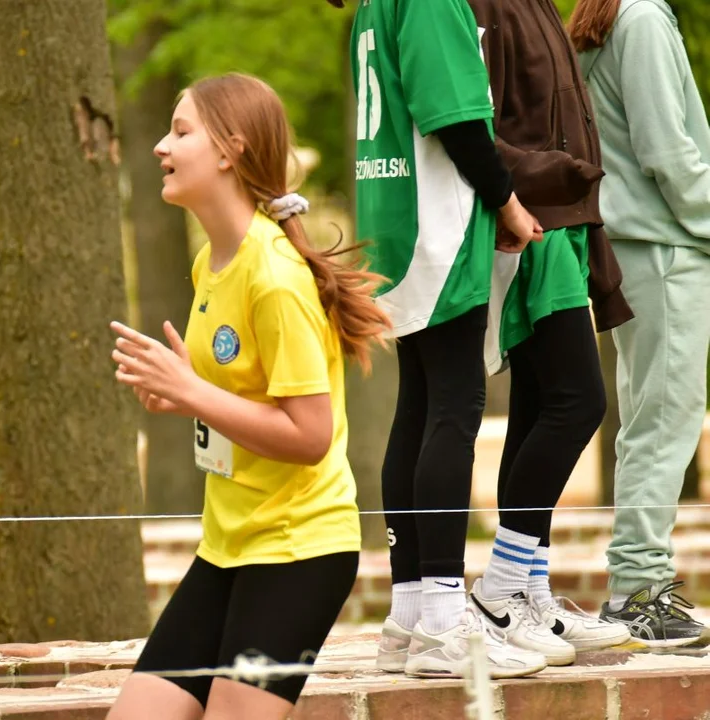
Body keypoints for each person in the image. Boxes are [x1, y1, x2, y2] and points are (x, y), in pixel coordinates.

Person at [106, 72, 388, 720]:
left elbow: (311, 438)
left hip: (298, 551)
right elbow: (238, 399)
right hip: (225, 548)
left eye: (180, 132)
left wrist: (197, 395)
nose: (159, 146)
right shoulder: (212, 262)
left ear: (230, 150)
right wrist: (188, 395)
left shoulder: (275, 278)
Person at [343, 0, 547, 679]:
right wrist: (509, 203)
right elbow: (455, 118)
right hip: (440, 226)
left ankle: (407, 615)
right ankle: (441, 621)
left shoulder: (375, 6)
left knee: (422, 403)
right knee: (454, 407)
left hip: (394, 224)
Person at [459, 0, 635, 665]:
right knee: (578, 400)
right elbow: (474, 125)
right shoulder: (489, 6)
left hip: (564, 223)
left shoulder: (535, 5)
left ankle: (531, 592)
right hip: (534, 226)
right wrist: (527, 191)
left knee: (538, 403)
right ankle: (501, 587)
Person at [571, 0, 710, 646]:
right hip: (666, 249)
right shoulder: (645, 19)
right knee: (665, 418)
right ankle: (639, 594)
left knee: (647, 418)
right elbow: (668, 153)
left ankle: (636, 587)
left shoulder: (608, 18)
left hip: (636, 249)